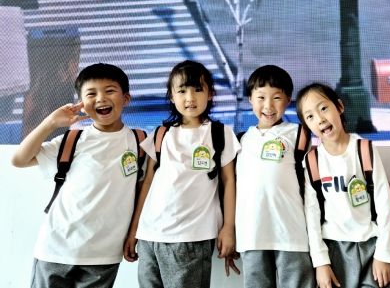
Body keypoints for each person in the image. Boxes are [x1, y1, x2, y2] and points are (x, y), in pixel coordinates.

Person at [11, 63, 142, 288]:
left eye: (110, 91)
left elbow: (144, 193)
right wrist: (50, 123)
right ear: (81, 103)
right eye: (91, 94)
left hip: (104, 255)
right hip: (56, 249)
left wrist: (134, 233)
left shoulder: (140, 142)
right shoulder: (73, 140)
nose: (101, 98)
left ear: (126, 98)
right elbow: (19, 160)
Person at [123, 60, 240, 288]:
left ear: (210, 94)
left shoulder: (219, 133)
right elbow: (147, 184)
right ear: (171, 96)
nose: (190, 97)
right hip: (150, 235)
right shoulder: (161, 134)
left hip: (192, 237)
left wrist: (228, 228)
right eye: (182, 91)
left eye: (197, 89)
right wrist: (134, 230)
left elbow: (229, 181)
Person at [297, 83, 390, 288]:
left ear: (340, 107)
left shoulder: (364, 149)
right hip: (333, 248)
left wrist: (384, 253)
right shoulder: (312, 161)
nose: (320, 119)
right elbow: (312, 214)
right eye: (310, 116)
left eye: (324, 108)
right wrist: (320, 262)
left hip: (371, 245)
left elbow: (384, 202)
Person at [235, 65, 315, 288]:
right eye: (261, 97)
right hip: (251, 235)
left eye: (277, 98)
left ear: (288, 100)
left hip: (292, 233)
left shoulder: (298, 134)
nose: (268, 106)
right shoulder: (241, 140)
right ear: (250, 99)